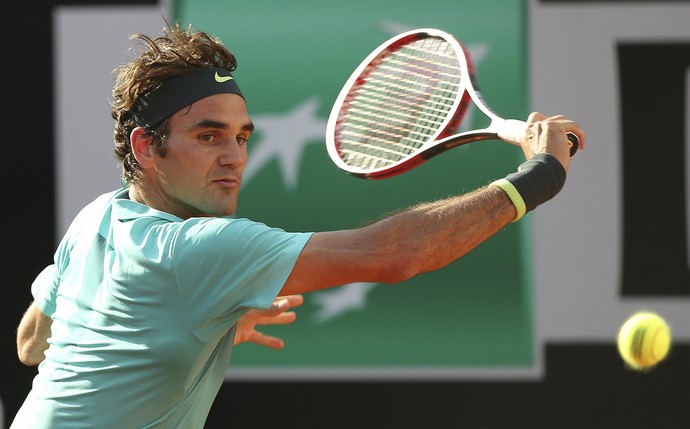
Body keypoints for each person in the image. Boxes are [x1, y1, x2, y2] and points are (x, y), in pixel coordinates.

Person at [12, 21, 585, 428]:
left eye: (241, 137)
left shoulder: (97, 218)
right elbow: (393, 254)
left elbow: (31, 344)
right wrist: (539, 177)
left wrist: (161, 337)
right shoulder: (196, 252)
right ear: (147, 147)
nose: (234, 157)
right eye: (208, 136)